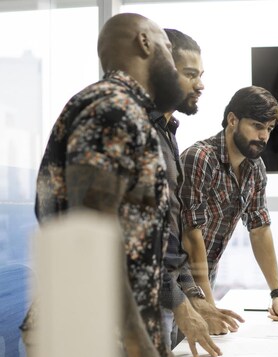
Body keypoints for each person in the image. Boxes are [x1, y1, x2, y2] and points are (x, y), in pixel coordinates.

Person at [20, 13, 194, 357]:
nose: (174, 66)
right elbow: (89, 239)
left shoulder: (129, 112)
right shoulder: (113, 109)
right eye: (168, 48)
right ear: (144, 42)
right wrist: (137, 342)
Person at [151, 28, 242, 354]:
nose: (201, 85)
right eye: (191, 74)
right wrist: (183, 301)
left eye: (200, 75)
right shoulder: (137, 130)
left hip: (164, 291)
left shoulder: (168, 133)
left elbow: (171, 245)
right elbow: (134, 241)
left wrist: (196, 299)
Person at [180, 86, 278, 323]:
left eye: (269, 129)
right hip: (174, 283)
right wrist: (207, 305)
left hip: (205, 279)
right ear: (233, 120)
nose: (264, 136)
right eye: (257, 126)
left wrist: (277, 294)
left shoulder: (255, 168)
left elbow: (259, 228)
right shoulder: (200, 158)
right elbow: (191, 235)